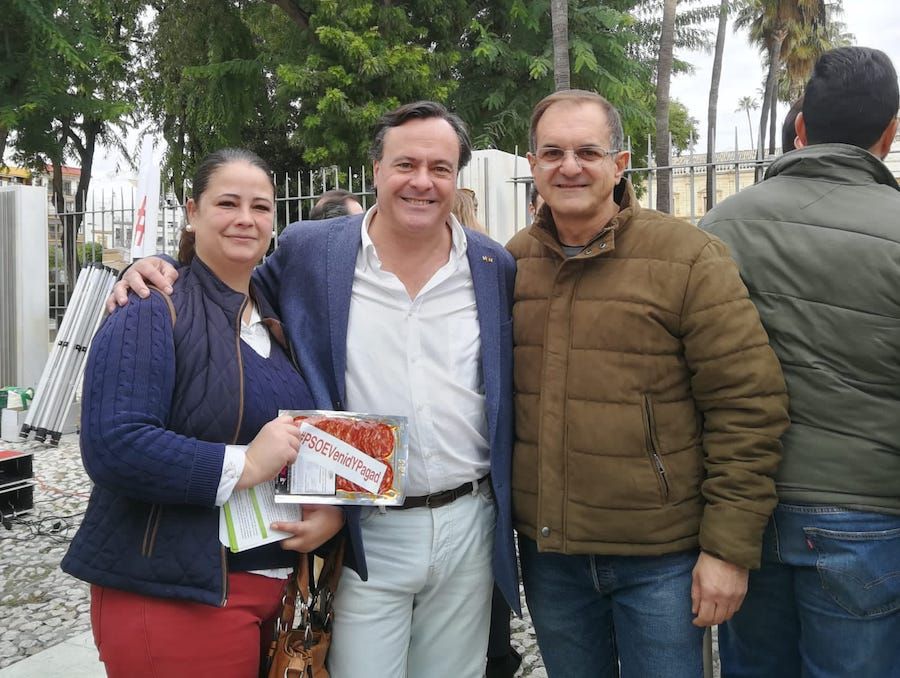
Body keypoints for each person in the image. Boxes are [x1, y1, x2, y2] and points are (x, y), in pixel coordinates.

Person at [110, 101, 519, 678]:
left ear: (457, 178)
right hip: (365, 526)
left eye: (440, 168)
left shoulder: (492, 265)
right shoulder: (312, 250)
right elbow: (229, 278)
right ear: (376, 169)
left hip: (470, 518)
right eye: (406, 164)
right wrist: (154, 265)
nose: (422, 181)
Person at [506, 89, 790, 677]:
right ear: (532, 165)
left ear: (620, 163)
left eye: (588, 151)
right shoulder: (511, 264)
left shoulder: (689, 258)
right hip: (552, 559)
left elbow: (747, 407)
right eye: (553, 152)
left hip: (661, 560)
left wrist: (728, 550)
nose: (569, 166)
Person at [62, 148, 346, 678]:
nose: (246, 219)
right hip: (172, 594)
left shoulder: (277, 318)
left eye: (260, 207)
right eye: (227, 203)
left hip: (273, 589)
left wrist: (329, 512)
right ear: (192, 212)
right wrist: (246, 464)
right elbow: (114, 445)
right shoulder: (150, 304)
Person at [701, 46, 900, 678]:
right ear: (891, 133)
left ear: (802, 127)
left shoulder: (721, 225)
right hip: (869, 512)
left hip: (744, 514)